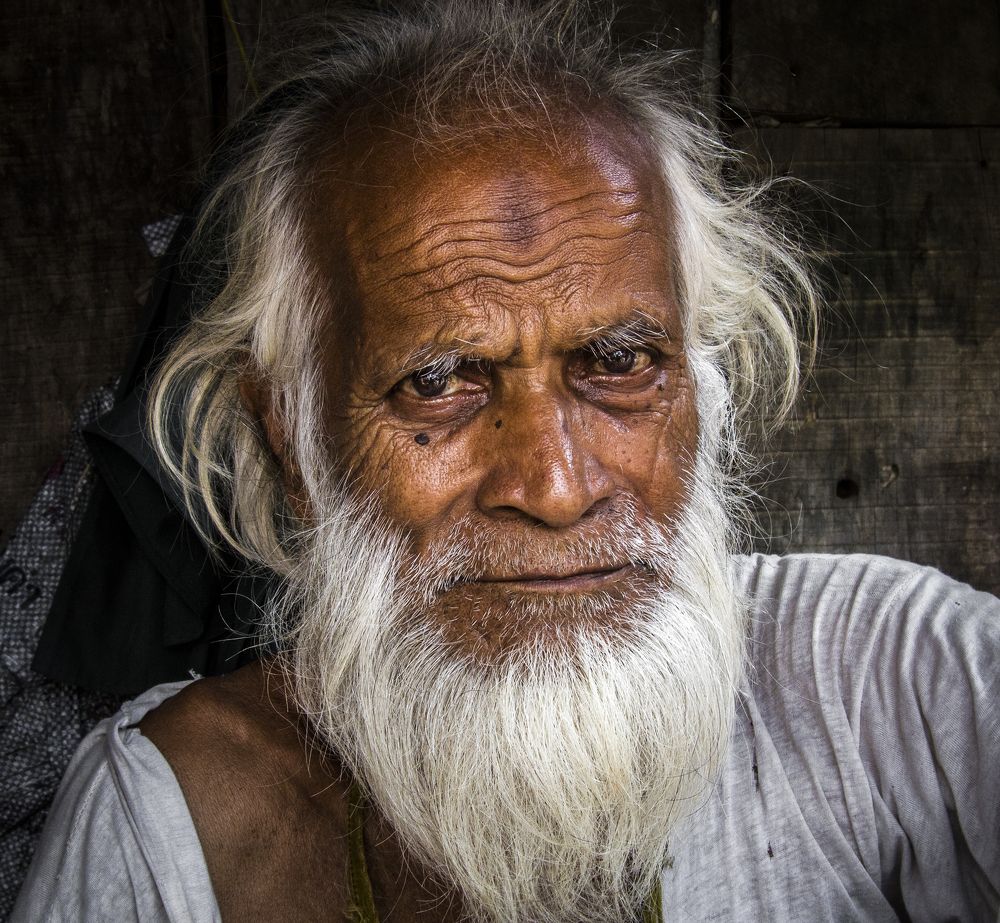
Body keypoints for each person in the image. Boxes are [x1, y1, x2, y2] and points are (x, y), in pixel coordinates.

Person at [12, 2, 999, 920]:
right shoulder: (171, 818)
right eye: (439, 380)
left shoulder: (880, 677)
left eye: (619, 362)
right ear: (293, 437)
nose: (558, 487)